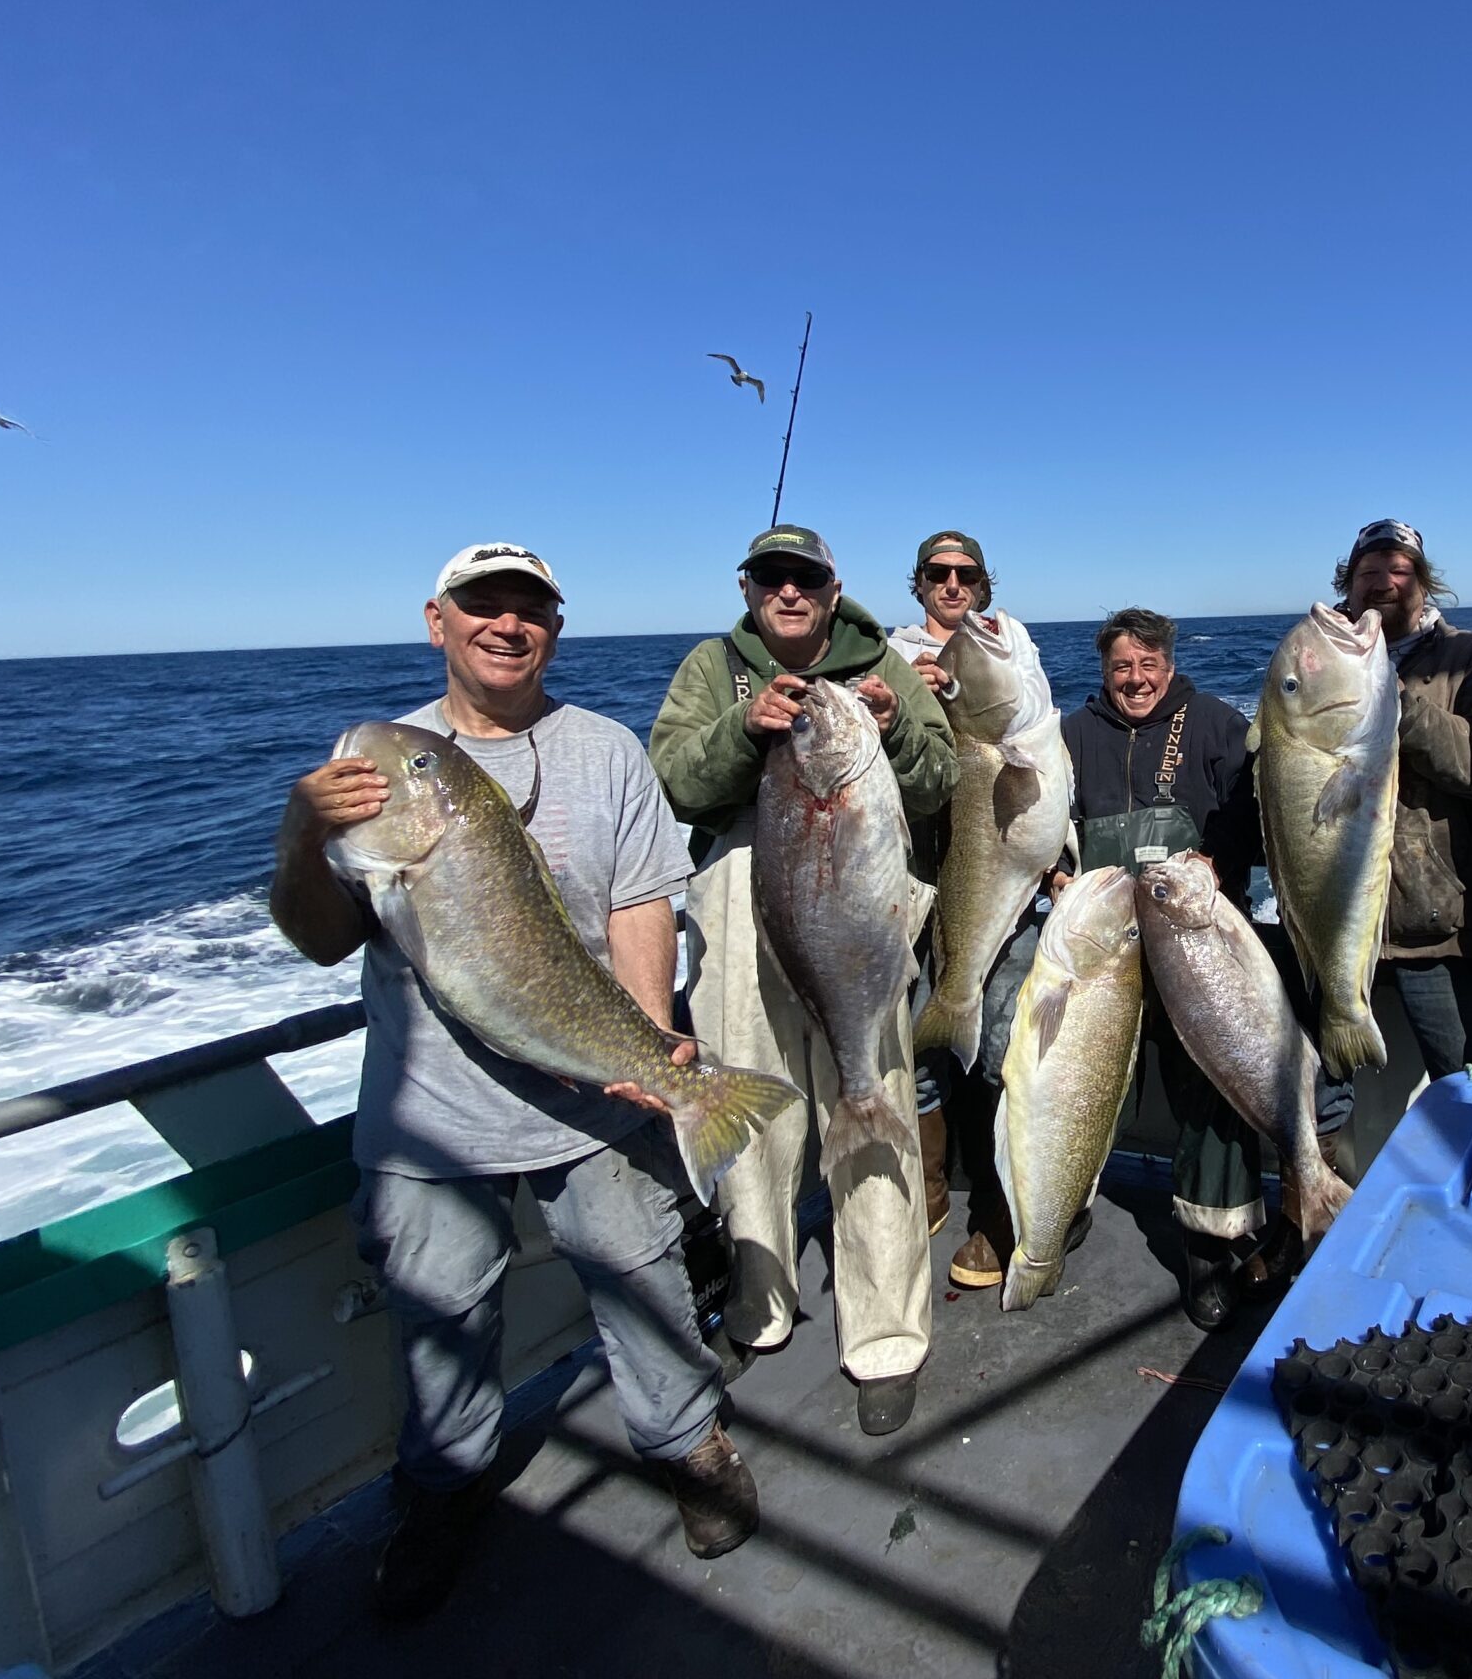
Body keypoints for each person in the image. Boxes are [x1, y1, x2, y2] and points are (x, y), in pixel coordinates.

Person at [270, 542, 752, 1621]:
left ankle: (689, 1445)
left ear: (555, 629)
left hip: (592, 1095)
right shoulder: (380, 772)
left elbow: (639, 905)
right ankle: (446, 1490)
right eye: (480, 605)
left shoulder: (606, 750)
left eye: (528, 608)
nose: (505, 624)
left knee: (643, 1275)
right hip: (427, 1120)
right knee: (438, 1316)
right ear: (435, 620)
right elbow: (316, 939)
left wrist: (652, 1044)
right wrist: (307, 830)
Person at [649, 526, 957, 1436]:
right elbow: (673, 779)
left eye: (806, 578)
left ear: (833, 586)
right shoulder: (711, 669)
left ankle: (887, 1337)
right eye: (770, 579)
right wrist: (745, 730)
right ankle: (760, 1302)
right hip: (746, 910)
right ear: (747, 588)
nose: (789, 592)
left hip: (860, 913)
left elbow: (938, 781)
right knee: (748, 1105)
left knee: (876, 1093)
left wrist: (895, 733)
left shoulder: (884, 666)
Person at [1060, 607, 1269, 1328]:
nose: (1136, 679)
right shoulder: (1075, 733)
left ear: (1170, 665)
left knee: (1208, 1099)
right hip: (1105, 949)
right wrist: (1058, 872)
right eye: (1122, 666)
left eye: (1149, 664)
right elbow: (1048, 822)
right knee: (1081, 1081)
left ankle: (1213, 1249)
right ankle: (1063, 1210)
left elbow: (1251, 810)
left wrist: (1219, 858)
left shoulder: (1213, 721)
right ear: (1104, 671)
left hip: (1196, 942)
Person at [885, 529, 1058, 1290]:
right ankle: (924, 1191)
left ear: (984, 585)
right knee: (918, 1056)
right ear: (917, 584)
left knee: (999, 1055)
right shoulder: (883, 661)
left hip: (1008, 889)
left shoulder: (1009, 642)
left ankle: (996, 1205)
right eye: (938, 574)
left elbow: (1042, 756)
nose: (953, 586)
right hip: (909, 888)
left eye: (967, 575)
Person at [1324, 519, 1472, 1110]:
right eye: (1368, 574)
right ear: (1348, 585)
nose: (1383, 584)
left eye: (1398, 571)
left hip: (1438, 928)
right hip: (1336, 920)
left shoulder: (1468, 656)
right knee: (1315, 1090)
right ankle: (1322, 1198)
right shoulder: (1319, 657)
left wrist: (1396, 703)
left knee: (1469, 1086)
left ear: (1424, 583)